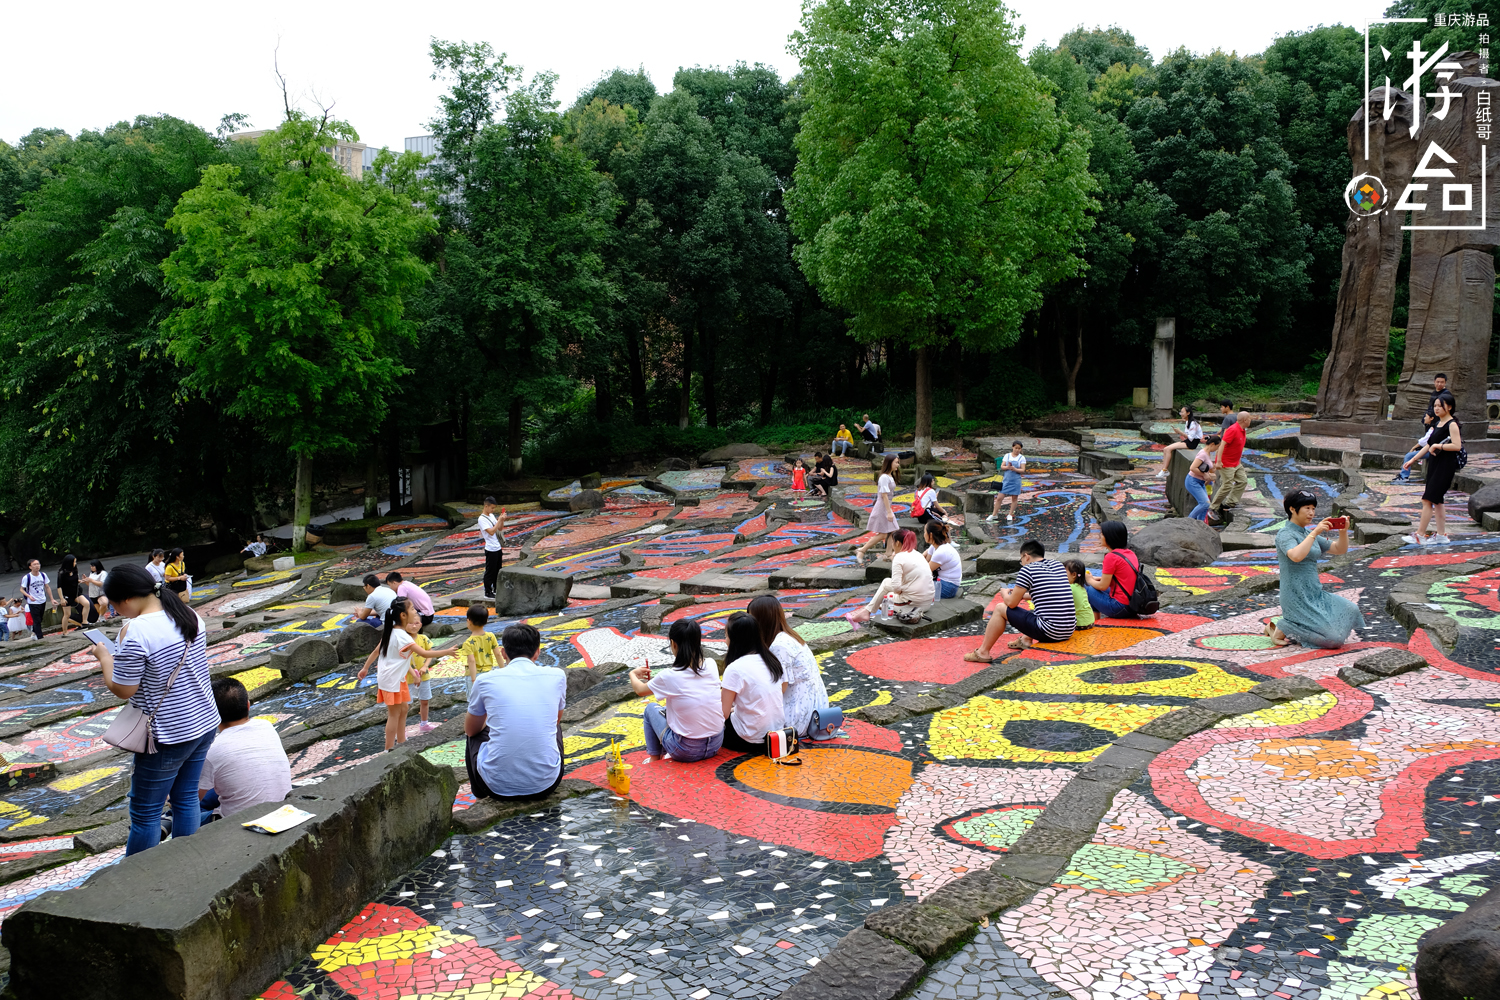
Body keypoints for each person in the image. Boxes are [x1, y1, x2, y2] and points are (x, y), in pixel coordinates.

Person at [87, 562, 218, 856]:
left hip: (167, 734)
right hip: (204, 721)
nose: (116, 612)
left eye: (115, 606)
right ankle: (183, 863)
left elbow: (123, 689)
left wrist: (104, 656)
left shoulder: (135, 631)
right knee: (185, 798)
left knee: (146, 814)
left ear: (127, 599)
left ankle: (138, 882)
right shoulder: (189, 614)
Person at [465, 623, 568, 799]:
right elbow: (556, 720)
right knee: (554, 726)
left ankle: (479, 791)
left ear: (504, 653)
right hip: (547, 783)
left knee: (474, 735)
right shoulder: (557, 676)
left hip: (495, 786)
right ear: (537, 652)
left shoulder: (484, 681)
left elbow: (470, 730)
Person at [1269, 491, 1359, 648]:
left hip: (1314, 592)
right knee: (1333, 640)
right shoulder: (1285, 534)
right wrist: (1316, 532)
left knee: (1350, 610)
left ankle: (1286, 626)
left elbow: (1339, 549)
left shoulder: (1308, 534)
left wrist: (1343, 532)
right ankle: (1284, 626)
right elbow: (1296, 556)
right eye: (1307, 508)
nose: (1311, 513)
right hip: (1295, 595)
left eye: (1313, 508)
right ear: (1292, 509)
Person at [197, 676, 291, 825]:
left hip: (240, 824)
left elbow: (192, 799)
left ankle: (168, 821)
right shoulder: (266, 726)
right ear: (248, 705)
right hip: (282, 809)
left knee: (188, 810)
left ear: (210, 714)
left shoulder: (212, 751)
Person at [357, 597, 448, 750]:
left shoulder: (393, 631)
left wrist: (365, 668)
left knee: (404, 708)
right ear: (403, 616)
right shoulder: (402, 636)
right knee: (394, 714)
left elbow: (378, 652)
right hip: (393, 680)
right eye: (412, 608)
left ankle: (401, 741)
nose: (415, 611)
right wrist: (449, 651)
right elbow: (425, 654)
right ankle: (389, 749)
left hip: (394, 678)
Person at [628, 618, 724, 763]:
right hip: (716, 743)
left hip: (686, 750)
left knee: (650, 709)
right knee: (670, 708)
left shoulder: (670, 676)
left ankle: (654, 758)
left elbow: (640, 690)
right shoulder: (711, 664)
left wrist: (633, 674)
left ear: (673, 644)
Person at [965, 540, 1075, 658]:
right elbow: (1046, 594)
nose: (1021, 563)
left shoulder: (1027, 570)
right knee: (1040, 610)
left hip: (1050, 632)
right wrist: (1020, 595)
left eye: (1021, 560)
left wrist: (1005, 594)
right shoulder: (1057, 565)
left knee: (1000, 608)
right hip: (1068, 629)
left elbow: (1011, 604)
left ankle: (982, 653)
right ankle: (1025, 640)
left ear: (1026, 556)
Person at [749, 594, 828, 738]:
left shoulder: (779, 646)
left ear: (762, 620)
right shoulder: (790, 636)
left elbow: (781, 688)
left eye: (752, 619)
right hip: (817, 708)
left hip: (800, 715)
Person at [719, 612, 787, 756]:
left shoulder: (735, 668)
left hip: (748, 739)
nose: (725, 641)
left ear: (735, 640)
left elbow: (722, 714)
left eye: (726, 636)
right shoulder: (772, 660)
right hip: (776, 735)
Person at [1402, 392, 1463, 545]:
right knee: (1438, 501)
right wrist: (1413, 459)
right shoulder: (1437, 424)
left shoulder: (1452, 424)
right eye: (1435, 406)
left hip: (1445, 467)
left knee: (1427, 500)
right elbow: (1428, 445)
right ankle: (1442, 535)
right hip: (1434, 466)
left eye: (1439, 406)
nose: (1436, 409)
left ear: (1448, 407)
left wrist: (1439, 445)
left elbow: (1457, 445)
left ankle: (1420, 535)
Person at [847, 528, 935, 624]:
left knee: (887, 597)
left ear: (897, 543)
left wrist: (899, 592)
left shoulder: (899, 557)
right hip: (927, 603)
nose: (892, 546)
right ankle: (867, 610)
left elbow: (896, 588)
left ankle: (867, 611)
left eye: (892, 542)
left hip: (914, 605)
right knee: (886, 582)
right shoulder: (917, 554)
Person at [1084, 520, 1146, 619]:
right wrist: (1097, 578)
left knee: (1087, 587)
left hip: (1120, 608)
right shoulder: (1129, 553)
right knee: (1093, 585)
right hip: (1133, 604)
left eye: (1102, 534)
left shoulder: (1111, 557)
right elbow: (1123, 578)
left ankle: (1094, 621)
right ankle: (1096, 619)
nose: (1099, 536)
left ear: (1110, 537)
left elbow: (1103, 586)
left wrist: (1089, 580)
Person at [1397, 374, 1451, 483]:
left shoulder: (1445, 423)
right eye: (1437, 382)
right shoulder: (1434, 395)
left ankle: (1404, 476)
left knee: (1411, 454)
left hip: (1438, 449)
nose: (1439, 384)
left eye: (1442, 382)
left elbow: (1427, 442)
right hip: (1431, 442)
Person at [855, 455, 902, 565]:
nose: (898, 465)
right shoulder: (884, 477)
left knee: (892, 531)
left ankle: (888, 554)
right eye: (896, 462)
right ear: (890, 463)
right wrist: (889, 511)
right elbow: (884, 495)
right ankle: (862, 550)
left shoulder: (889, 476)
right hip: (883, 507)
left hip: (886, 506)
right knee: (884, 533)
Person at [1207, 411, 1250, 526]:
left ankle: (1230, 503)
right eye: (1249, 418)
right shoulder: (1233, 429)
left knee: (1242, 481)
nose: (1251, 420)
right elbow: (1222, 445)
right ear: (1245, 420)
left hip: (1236, 462)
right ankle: (1213, 507)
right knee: (1227, 484)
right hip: (1226, 463)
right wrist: (1219, 461)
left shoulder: (1242, 430)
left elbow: (1238, 446)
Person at [458, 605, 499, 695]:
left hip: (474, 675)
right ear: (486, 620)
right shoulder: (491, 636)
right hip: (488, 673)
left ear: (469, 621)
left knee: (473, 703)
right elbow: (498, 655)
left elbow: (471, 661)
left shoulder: (468, 643)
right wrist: (503, 670)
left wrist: (473, 679)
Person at [1155, 405, 1203, 478]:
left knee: (1168, 449)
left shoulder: (1193, 423)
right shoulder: (1188, 422)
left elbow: (1191, 438)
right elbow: (1187, 436)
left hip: (1192, 443)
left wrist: (1180, 432)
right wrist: (1179, 432)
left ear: (1188, 413)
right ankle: (1164, 469)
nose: (1181, 414)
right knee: (1165, 449)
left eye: (1182, 412)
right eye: (1181, 412)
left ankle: (1165, 470)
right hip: (1188, 441)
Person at [18, 559, 55, 641]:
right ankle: (40, 637)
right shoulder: (27, 577)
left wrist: (52, 599)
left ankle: (34, 632)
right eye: (34, 564)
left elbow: (47, 587)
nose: (37, 566)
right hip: (33, 602)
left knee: (40, 618)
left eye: (38, 564)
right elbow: (22, 589)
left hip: (42, 600)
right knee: (36, 620)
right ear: (30, 567)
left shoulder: (43, 575)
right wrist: (29, 596)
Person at [1184, 435, 1220, 521]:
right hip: (1193, 481)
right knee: (1205, 503)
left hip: (1200, 482)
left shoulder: (1208, 454)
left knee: (1205, 505)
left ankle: (1201, 524)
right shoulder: (1203, 454)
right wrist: (1204, 475)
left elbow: (1207, 468)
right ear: (1212, 444)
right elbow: (1192, 468)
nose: (1217, 449)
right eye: (1217, 446)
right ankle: (1189, 521)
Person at [477, 496, 507, 600]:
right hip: (490, 548)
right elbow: (491, 531)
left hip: (497, 547)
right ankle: (487, 591)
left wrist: (501, 520)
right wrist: (499, 520)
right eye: (492, 508)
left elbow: (499, 528)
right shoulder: (482, 519)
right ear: (486, 506)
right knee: (490, 570)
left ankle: (496, 588)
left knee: (498, 569)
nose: (493, 510)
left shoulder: (491, 516)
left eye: (494, 508)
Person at [988, 442, 1026, 522]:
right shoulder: (1007, 455)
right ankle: (994, 514)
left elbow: (1022, 470)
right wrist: (1007, 467)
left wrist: (1015, 469)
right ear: (1012, 447)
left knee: (1014, 498)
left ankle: (1010, 514)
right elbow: (1002, 466)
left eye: (1019, 448)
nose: (1017, 450)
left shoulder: (1021, 458)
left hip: (1016, 480)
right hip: (1006, 480)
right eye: (1016, 448)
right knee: (999, 498)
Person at [924, 522, 962, 600]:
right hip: (940, 581)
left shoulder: (941, 552)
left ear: (930, 535)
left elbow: (924, 570)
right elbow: (924, 561)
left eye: (925, 532)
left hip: (948, 587)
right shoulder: (934, 546)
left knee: (914, 588)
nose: (924, 534)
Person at [1063, 559, 1095, 630]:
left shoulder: (1070, 588)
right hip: (1089, 621)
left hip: (1080, 623)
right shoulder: (1081, 586)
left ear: (1074, 575)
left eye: (1063, 573)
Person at [56, 554, 82, 634]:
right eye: (74, 562)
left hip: (75, 593)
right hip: (66, 595)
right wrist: (61, 598)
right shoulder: (62, 573)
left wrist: (80, 581)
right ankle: (64, 631)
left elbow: (74, 580)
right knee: (67, 614)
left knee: (86, 603)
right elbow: (59, 586)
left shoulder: (75, 570)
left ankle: (84, 622)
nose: (75, 563)